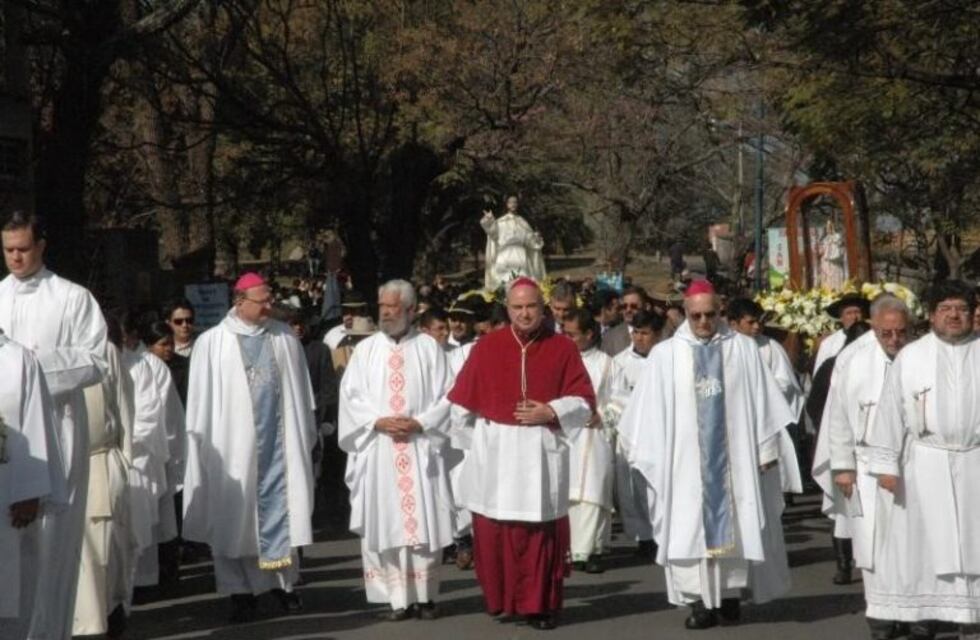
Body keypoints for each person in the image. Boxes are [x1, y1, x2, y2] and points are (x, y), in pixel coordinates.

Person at [616, 280, 796, 630]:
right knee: (688, 529)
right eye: (695, 315)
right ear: (684, 313)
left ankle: (729, 597)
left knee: (736, 526)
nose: (703, 322)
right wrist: (649, 454)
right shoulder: (665, 355)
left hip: (735, 464)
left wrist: (766, 449)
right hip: (684, 465)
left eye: (710, 314)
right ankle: (698, 603)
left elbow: (763, 406)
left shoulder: (743, 350)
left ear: (720, 312)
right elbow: (647, 414)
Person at [447, 277, 595, 630]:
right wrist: (478, 445)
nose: (525, 313)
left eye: (531, 306)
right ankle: (503, 600)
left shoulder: (562, 348)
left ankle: (539, 605)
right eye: (518, 307)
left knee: (538, 533)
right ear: (508, 309)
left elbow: (585, 401)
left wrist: (552, 410)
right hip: (496, 453)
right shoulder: (486, 347)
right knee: (494, 530)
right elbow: (461, 406)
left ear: (543, 309)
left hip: (540, 453)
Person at [182, 272, 317, 623]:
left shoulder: (284, 337)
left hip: (279, 449)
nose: (270, 306)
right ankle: (239, 593)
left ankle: (283, 586)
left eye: (270, 299)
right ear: (239, 301)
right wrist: (202, 448)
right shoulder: (212, 343)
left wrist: (305, 437)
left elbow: (300, 396)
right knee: (233, 524)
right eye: (263, 301)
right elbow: (200, 404)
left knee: (281, 515)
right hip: (232, 449)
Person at [0, 210, 108, 640]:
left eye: (24, 249)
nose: (16, 258)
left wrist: (28, 368)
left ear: (41, 246)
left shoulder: (72, 298)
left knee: (51, 545)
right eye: (8, 250)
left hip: (57, 432)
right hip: (7, 442)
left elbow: (96, 360)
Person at [866, 280, 980, 637]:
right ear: (931, 315)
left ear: (972, 314)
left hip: (975, 460)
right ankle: (924, 615)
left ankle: (972, 619)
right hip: (925, 464)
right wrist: (886, 465)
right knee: (924, 544)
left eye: (961, 308)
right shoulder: (912, 356)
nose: (953, 315)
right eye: (945, 308)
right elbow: (889, 413)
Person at [338, 280, 454, 621]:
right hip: (380, 450)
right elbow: (351, 396)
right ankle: (396, 599)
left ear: (410, 309)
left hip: (421, 447)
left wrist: (422, 422)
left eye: (392, 307)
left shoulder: (430, 349)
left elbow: (449, 394)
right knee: (386, 521)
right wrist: (376, 422)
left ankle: (425, 596)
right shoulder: (366, 350)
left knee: (425, 522)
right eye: (382, 307)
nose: (385, 313)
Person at [810, 295, 910, 640]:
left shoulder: (918, 356)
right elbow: (837, 416)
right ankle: (881, 616)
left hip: (910, 465)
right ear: (873, 326)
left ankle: (912, 612)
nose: (894, 340)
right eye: (886, 333)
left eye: (901, 332)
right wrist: (841, 466)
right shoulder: (853, 359)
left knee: (909, 542)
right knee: (871, 544)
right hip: (865, 466)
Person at [72, 315, 134, 638]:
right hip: (61, 471)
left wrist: (123, 462)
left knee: (104, 557)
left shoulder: (105, 352)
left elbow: (125, 406)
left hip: (100, 464)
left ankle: (108, 620)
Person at [0, 331, 63, 638]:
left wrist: (30, 490)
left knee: (11, 585)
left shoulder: (18, 359)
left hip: (8, 492)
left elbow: (36, 422)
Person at [563, 309, 618, 574]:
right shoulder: (558, 360)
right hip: (565, 436)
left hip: (596, 436)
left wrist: (604, 415)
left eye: (573, 335)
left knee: (593, 493)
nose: (567, 339)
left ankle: (593, 550)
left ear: (588, 334)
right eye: (565, 333)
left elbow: (621, 400)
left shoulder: (607, 363)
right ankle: (571, 550)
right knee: (569, 493)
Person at [611, 310, 665, 558]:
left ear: (658, 334)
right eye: (636, 333)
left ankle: (663, 534)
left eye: (645, 333)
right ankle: (643, 536)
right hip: (631, 434)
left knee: (659, 488)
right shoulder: (620, 362)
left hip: (660, 432)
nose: (639, 338)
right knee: (633, 489)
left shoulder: (667, 359)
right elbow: (616, 397)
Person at [480, 195, 546, 290]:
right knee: (504, 283)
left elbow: (529, 240)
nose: (513, 204)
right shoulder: (501, 221)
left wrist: (536, 238)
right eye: (511, 202)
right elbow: (492, 233)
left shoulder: (522, 222)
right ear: (507, 204)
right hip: (505, 256)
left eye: (515, 202)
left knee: (523, 282)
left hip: (521, 257)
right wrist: (489, 221)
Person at [813, 293, 870, 374]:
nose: (854, 317)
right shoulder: (828, 344)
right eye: (849, 313)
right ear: (841, 317)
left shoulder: (874, 339)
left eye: (857, 312)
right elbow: (819, 376)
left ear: (863, 315)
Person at [601, 286, 647, 356]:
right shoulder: (610, 337)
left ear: (645, 307)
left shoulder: (662, 334)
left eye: (633, 306)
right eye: (624, 306)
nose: (628, 310)